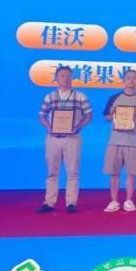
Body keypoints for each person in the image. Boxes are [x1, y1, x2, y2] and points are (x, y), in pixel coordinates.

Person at [36, 65, 92, 214]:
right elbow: (42, 115)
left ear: (72, 78)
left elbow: (88, 116)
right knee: (52, 172)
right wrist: (49, 127)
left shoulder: (80, 96)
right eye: (62, 75)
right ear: (56, 78)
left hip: (72, 138)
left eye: (68, 75)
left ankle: (71, 203)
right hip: (53, 138)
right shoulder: (49, 96)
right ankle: (49, 202)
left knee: (73, 172)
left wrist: (78, 127)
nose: (65, 79)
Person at [103, 69, 136, 212]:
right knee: (114, 172)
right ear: (123, 80)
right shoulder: (114, 98)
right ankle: (114, 201)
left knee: (132, 173)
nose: (131, 80)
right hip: (115, 140)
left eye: (134, 78)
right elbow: (106, 117)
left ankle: (129, 200)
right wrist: (113, 114)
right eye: (128, 78)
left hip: (134, 141)